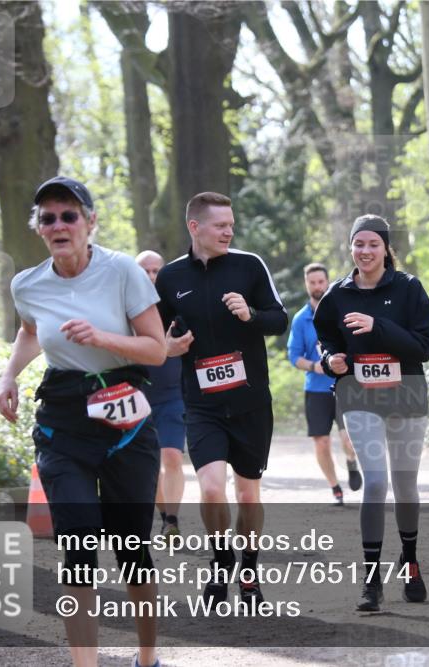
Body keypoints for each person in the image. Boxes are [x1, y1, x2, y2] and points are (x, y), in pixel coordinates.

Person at [0, 176, 164, 667]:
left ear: (90, 222)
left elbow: (155, 349)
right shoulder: (27, 283)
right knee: (78, 543)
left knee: (132, 549)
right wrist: (8, 377)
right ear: (39, 229)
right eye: (49, 217)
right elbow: (30, 332)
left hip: (125, 417)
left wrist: (103, 337)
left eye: (70, 215)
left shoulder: (123, 271)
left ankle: (147, 658)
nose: (59, 224)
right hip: (63, 421)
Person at [154, 192, 287, 612]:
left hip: (249, 403)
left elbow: (279, 318)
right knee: (211, 490)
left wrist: (251, 315)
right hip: (203, 404)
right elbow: (155, 338)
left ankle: (248, 569)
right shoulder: (171, 278)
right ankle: (220, 559)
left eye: (231, 224)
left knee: (248, 496)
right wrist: (170, 347)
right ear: (195, 227)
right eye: (220, 225)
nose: (229, 230)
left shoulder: (249, 266)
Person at [314, 214, 429, 613]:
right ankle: (371, 581)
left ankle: (410, 560)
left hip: (406, 394)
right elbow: (326, 338)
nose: (365, 251)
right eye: (358, 244)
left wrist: (377, 326)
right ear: (350, 247)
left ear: (386, 249)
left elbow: (423, 347)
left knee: (405, 486)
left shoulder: (409, 289)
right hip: (358, 395)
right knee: (376, 481)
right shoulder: (338, 293)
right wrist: (331, 357)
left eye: (372, 244)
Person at [287, 262, 361, 505]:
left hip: (344, 385)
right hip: (315, 389)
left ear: (327, 282)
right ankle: (335, 488)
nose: (317, 287)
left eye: (321, 282)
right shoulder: (300, 319)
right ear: (306, 285)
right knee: (322, 441)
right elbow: (294, 356)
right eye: (312, 282)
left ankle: (351, 461)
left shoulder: (339, 311)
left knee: (348, 439)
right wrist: (313, 366)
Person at [136, 250, 187, 537]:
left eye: (157, 270)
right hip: (137, 396)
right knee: (150, 464)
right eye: (146, 270)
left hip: (172, 395)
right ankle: (162, 513)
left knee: (172, 457)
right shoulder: (123, 309)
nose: (151, 276)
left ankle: (172, 520)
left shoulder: (176, 307)